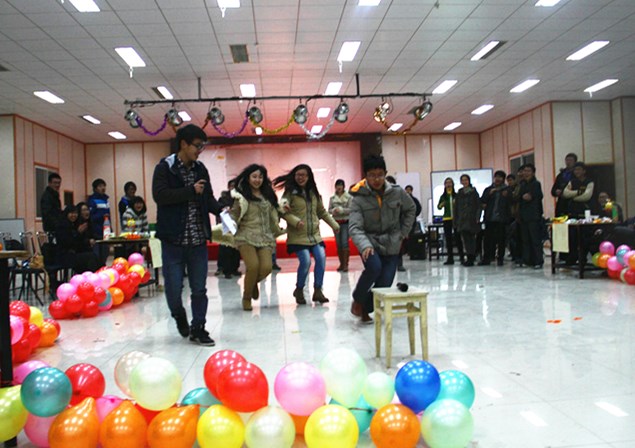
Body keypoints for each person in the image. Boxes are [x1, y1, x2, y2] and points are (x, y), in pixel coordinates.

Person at [152, 124, 221, 346]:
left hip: (198, 240)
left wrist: (222, 210)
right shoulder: (165, 167)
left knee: (199, 288)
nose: (199, 151)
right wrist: (190, 191)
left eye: (202, 146)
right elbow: (160, 196)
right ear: (183, 144)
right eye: (197, 146)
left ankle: (198, 328)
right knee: (173, 288)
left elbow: (208, 198)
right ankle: (178, 314)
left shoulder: (201, 169)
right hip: (173, 240)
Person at [349, 155, 415, 323]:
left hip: (392, 242)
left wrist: (403, 232)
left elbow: (411, 209)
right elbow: (355, 227)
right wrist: (365, 245)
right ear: (365, 176)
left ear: (385, 173)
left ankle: (365, 307)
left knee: (385, 282)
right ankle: (358, 299)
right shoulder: (358, 197)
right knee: (374, 267)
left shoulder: (397, 192)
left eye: (380, 175)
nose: (376, 179)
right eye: (372, 175)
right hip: (369, 241)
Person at [274, 164, 340, 305]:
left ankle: (318, 290)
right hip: (297, 236)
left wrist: (334, 225)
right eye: (298, 175)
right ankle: (299, 289)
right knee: (306, 261)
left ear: (309, 177)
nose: (301, 178)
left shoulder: (314, 193)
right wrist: (295, 221)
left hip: (314, 235)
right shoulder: (290, 193)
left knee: (321, 258)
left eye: (303, 175)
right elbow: (282, 210)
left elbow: (322, 212)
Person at [230, 164, 282, 311]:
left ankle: (252, 283)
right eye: (254, 176)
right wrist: (229, 220)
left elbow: (276, 212)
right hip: (245, 235)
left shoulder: (268, 195)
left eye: (260, 177)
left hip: (265, 236)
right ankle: (246, 298)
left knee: (266, 268)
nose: (257, 180)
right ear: (248, 178)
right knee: (253, 266)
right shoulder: (241, 196)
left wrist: (283, 211)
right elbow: (234, 214)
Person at [55, 205, 102, 273]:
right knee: (91, 257)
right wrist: (78, 233)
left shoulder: (75, 224)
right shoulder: (62, 226)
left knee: (94, 256)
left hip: (75, 253)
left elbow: (80, 241)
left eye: (75, 213)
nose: (74, 215)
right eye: (71, 213)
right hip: (65, 256)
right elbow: (67, 242)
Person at [480, 170, 511, 266]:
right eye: (496, 177)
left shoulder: (507, 190)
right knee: (488, 239)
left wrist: (507, 196)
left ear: (503, 179)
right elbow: (482, 201)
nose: (498, 179)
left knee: (501, 240)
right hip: (490, 218)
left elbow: (512, 201)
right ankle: (487, 258)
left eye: (500, 177)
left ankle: (500, 259)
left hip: (502, 219)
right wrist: (489, 194)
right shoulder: (488, 189)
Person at [518, 163, 544, 269]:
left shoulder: (536, 184)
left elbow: (539, 196)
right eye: (525, 171)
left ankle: (538, 261)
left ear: (533, 173)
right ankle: (527, 260)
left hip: (534, 215)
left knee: (535, 239)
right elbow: (518, 198)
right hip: (523, 216)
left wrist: (530, 196)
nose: (526, 173)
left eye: (528, 171)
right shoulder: (522, 184)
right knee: (525, 240)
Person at [454, 174, 481, 267]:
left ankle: (472, 257)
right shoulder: (459, 193)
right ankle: (469, 256)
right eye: (463, 180)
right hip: (462, 220)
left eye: (466, 180)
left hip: (472, 219)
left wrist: (478, 217)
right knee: (465, 239)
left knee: (472, 239)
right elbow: (456, 208)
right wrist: (456, 220)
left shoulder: (474, 192)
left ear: (469, 181)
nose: (464, 182)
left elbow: (478, 206)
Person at [216, 180, 241, 279]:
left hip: (237, 226)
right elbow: (219, 212)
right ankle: (226, 270)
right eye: (232, 186)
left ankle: (234, 268)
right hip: (226, 226)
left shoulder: (240, 198)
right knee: (226, 249)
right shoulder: (223, 198)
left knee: (236, 249)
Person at [437, 177, 464, 265]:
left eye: (450, 183)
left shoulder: (456, 195)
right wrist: (442, 204)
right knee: (448, 239)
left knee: (458, 238)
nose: (448, 184)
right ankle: (450, 258)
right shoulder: (443, 196)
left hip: (456, 219)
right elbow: (439, 207)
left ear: (453, 184)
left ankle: (462, 257)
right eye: (447, 183)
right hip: (447, 219)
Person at [328, 179, 352, 272]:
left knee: (344, 242)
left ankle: (346, 265)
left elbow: (351, 209)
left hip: (345, 222)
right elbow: (329, 210)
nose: (339, 187)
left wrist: (342, 210)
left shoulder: (349, 197)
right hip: (336, 222)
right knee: (338, 244)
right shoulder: (332, 198)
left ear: (343, 187)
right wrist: (334, 210)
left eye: (340, 185)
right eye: (337, 185)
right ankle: (341, 264)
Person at [551, 152, 578, 217]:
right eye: (567, 160)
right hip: (561, 204)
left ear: (575, 162)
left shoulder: (577, 175)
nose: (568, 162)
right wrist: (556, 191)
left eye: (570, 160)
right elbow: (553, 190)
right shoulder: (560, 175)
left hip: (573, 203)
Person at [506, 173, 522, 265]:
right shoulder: (507, 190)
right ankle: (513, 254)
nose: (510, 182)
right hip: (509, 216)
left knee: (516, 237)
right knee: (510, 237)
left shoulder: (518, 189)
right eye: (508, 181)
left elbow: (515, 199)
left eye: (511, 180)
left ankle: (518, 255)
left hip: (517, 215)